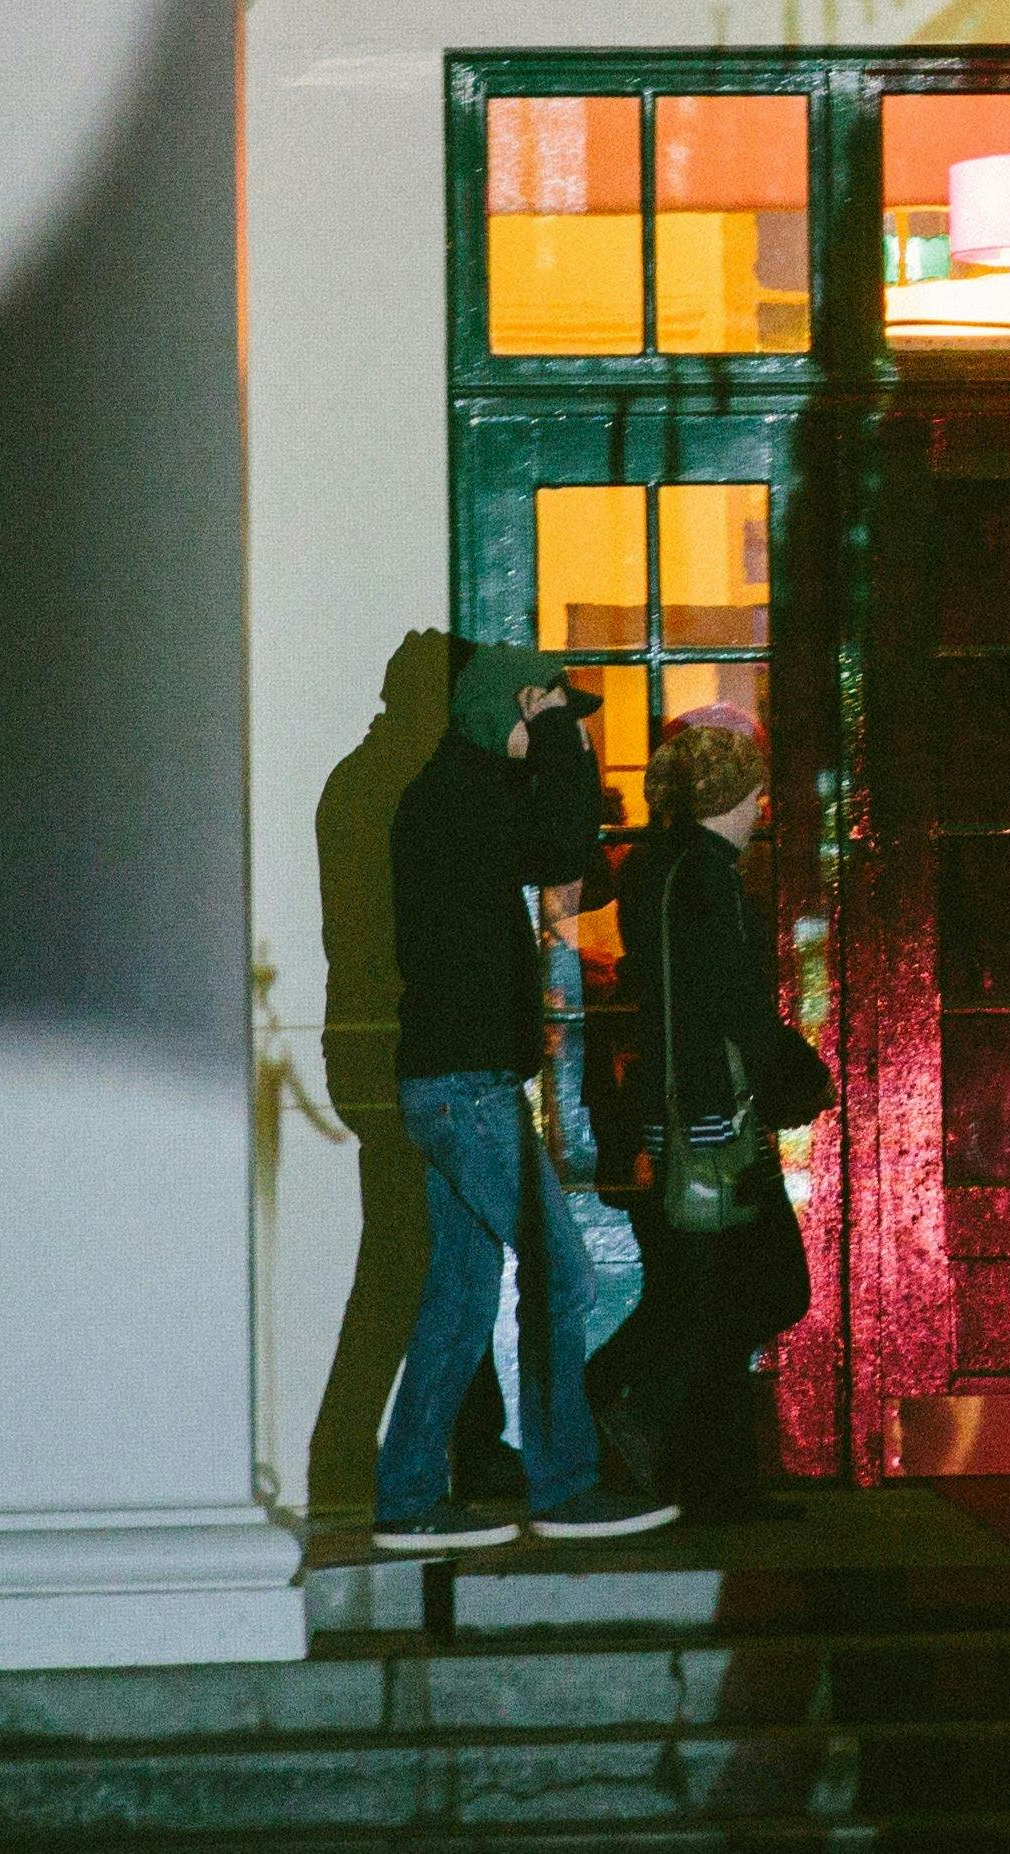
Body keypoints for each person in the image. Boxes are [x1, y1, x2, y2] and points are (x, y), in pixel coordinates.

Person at [374, 643, 655, 1551]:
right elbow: (564, 849)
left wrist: (545, 742)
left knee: (460, 1293)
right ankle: (565, 1486)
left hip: (454, 1082)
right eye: (548, 710)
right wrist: (561, 746)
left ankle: (410, 1498)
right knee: (560, 1270)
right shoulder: (458, 796)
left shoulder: (453, 791)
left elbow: (560, 861)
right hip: (465, 1087)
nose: (561, 728)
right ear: (517, 706)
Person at [583, 715, 831, 1523]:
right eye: (755, 790)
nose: (762, 805)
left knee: (702, 1293)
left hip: (671, 1105)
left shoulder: (654, 867)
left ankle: (705, 1468)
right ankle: (651, 1420)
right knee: (762, 1287)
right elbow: (726, 1000)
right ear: (733, 797)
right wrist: (788, 1069)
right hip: (712, 1116)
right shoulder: (708, 877)